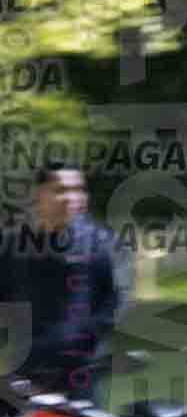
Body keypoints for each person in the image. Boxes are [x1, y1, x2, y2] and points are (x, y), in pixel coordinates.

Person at [0, 164, 120, 401]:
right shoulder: (12, 244)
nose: (71, 198)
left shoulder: (99, 243)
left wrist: (88, 338)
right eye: (61, 190)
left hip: (80, 371)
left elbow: (112, 299)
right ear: (39, 194)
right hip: (25, 369)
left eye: (78, 190)